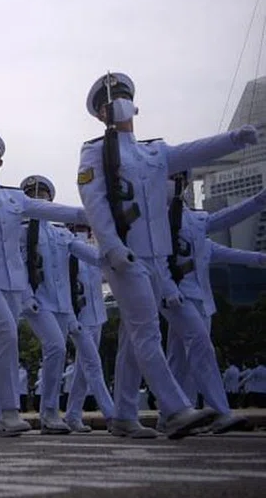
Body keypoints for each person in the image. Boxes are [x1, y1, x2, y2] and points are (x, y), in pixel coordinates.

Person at [76, 71, 258, 438]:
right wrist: (112, 246)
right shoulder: (95, 152)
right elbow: (94, 203)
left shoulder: (155, 153)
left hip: (159, 261)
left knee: (172, 335)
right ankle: (174, 410)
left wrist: (236, 139)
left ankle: (128, 414)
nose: (120, 106)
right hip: (125, 258)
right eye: (112, 103)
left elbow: (194, 150)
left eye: (124, 98)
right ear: (101, 114)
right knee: (146, 333)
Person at [0, 131, 86, 436]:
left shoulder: (15, 198)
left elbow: (52, 210)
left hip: (15, 281)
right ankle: (10, 411)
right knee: (6, 334)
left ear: (0, 160)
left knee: (2, 344)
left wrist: (89, 214)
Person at [164, 172, 266, 433]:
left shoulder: (197, 220)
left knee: (181, 359)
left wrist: (258, 202)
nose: (175, 183)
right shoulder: (154, 218)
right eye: (169, 177)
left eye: (179, 178)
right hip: (174, 295)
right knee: (201, 346)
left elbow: (224, 241)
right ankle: (221, 411)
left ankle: (175, 414)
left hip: (200, 300)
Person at [19, 174, 114, 433]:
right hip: (38, 303)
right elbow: (18, 267)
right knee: (56, 349)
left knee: (70, 356)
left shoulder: (61, 233)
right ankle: (49, 413)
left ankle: (70, 414)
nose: (39, 202)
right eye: (33, 197)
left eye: (43, 198)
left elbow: (88, 255)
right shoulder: (20, 232)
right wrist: (27, 297)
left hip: (64, 306)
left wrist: (114, 256)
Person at [64, 223, 111, 432]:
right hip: (79, 318)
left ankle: (73, 415)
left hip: (97, 316)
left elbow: (105, 277)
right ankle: (113, 415)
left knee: (83, 371)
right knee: (93, 365)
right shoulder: (67, 253)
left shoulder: (94, 253)